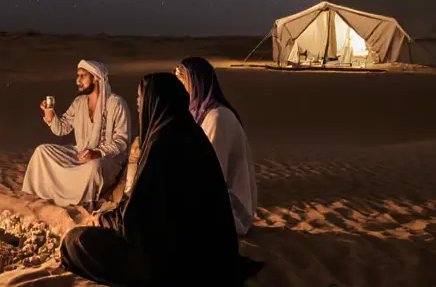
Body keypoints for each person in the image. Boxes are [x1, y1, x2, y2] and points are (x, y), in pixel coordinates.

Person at [61, 73, 261, 286]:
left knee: (76, 241)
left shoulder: (161, 145)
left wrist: (105, 219)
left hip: (171, 260)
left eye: (141, 98)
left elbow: (137, 222)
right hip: (209, 255)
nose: (138, 104)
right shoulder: (194, 135)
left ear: (154, 102)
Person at [22, 59, 130, 209]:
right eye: (77, 76)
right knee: (42, 151)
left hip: (106, 159)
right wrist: (49, 113)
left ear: (96, 78)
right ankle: (44, 194)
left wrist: (98, 152)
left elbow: (122, 140)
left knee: (93, 166)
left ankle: (84, 199)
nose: (77, 80)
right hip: (80, 152)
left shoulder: (116, 103)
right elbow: (62, 128)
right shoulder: (79, 102)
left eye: (82, 76)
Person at [177, 56, 258, 235]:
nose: (179, 87)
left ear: (197, 83)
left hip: (229, 206)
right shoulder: (199, 114)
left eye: (182, 80)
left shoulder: (217, 118)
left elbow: (212, 172)